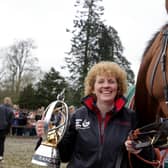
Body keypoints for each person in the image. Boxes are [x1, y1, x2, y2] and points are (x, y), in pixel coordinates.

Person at [36, 61, 157, 168]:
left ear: (118, 87)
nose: (106, 85)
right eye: (100, 81)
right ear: (93, 88)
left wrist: (139, 150)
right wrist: (47, 135)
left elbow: (149, 157)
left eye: (111, 81)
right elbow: (64, 155)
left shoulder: (132, 118)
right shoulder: (78, 116)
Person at [0, 97, 14, 161]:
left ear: (4, 101)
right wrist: (8, 130)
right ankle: (1, 156)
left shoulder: (0, 107)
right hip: (4, 128)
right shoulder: (11, 110)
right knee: (2, 142)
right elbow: (11, 121)